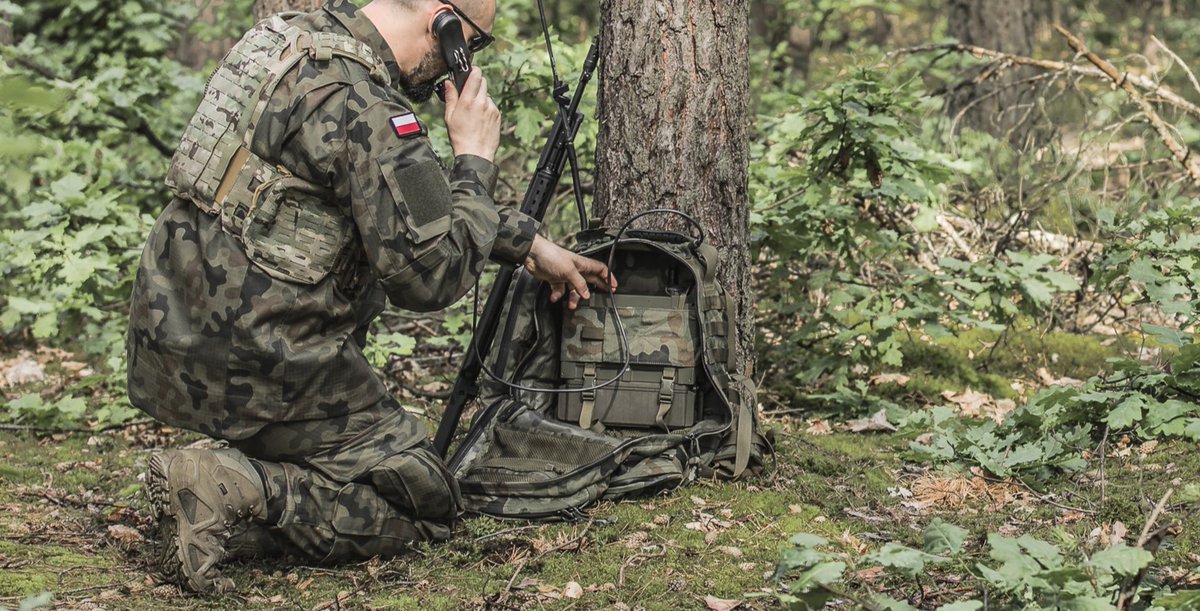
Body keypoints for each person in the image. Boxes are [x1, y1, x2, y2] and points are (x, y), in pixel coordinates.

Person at [126, 0, 614, 594]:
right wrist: (475, 160)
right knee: (422, 504)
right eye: (474, 43)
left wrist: (527, 242)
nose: (465, 63)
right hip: (265, 360)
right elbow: (431, 277)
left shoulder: (287, 40)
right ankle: (236, 487)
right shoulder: (371, 109)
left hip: (170, 337)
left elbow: (393, 202)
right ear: (445, 23)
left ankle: (222, 497)